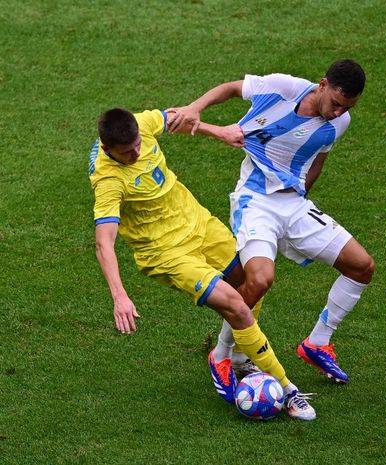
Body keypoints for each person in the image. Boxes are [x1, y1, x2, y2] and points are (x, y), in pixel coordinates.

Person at [89, 108, 316, 420]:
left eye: (139, 144)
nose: (137, 153)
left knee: (254, 283)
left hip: (199, 224)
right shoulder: (108, 180)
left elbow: (176, 119)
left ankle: (229, 358)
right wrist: (119, 296)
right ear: (107, 148)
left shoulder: (141, 123)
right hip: (166, 253)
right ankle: (287, 389)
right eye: (127, 153)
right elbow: (104, 242)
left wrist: (218, 131)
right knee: (236, 305)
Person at [167, 59, 375, 385]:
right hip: (256, 202)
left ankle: (317, 343)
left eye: (347, 107)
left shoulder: (340, 122)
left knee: (362, 266)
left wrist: (301, 197)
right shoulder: (282, 88)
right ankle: (224, 355)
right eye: (335, 103)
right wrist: (195, 107)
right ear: (322, 84)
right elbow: (232, 88)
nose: (338, 112)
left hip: (293, 205)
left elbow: (319, 157)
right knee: (260, 279)